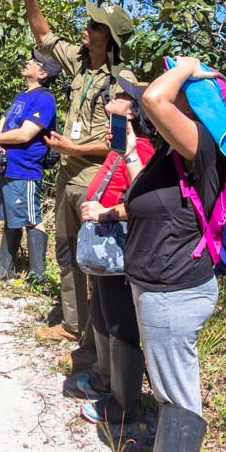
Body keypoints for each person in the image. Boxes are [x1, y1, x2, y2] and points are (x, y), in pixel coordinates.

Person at [8, 0, 135, 358]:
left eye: (95, 25)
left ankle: (97, 347)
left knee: (96, 261)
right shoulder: (78, 62)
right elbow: (43, 34)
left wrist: (74, 148)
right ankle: (72, 324)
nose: (86, 26)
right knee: (65, 250)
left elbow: (120, 144)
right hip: (67, 175)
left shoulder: (122, 81)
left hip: (97, 182)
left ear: (109, 38)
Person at [122, 55, 226, 452]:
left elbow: (153, 97)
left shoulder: (202, 147)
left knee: (178, 392)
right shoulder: (173, 153)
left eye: (181, 98)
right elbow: (145, 197)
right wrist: (130, 147)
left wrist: (187, 66)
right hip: (158, 288)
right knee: (169, 386)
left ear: (194, 105)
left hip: (175, 292)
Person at [75, 79, 155, 427]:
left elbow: (144, 204)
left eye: (122, 97)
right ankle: (107, 383)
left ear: (134, 113)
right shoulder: (119, 146)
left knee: (120, 322)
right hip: (105, 248)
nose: (113, 100)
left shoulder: (145, 151)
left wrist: (105, 213)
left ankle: (124, 403)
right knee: (102, 315)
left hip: (120, 248)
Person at [0, 51, 60, 285]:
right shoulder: (22, 96)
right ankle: (4, 268)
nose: (28, 62)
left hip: (24, 169)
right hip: (8, 167)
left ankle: (37, 276)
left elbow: (26, 134)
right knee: (11, 219)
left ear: (43, 73)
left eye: (34, 62)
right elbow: (5, 121)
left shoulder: (44, 99)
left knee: (31, 218)